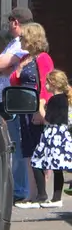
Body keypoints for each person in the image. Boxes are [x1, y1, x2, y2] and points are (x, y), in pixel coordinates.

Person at [11, 21, 54, 207]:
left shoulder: (43, 58)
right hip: (24, 111)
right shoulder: (24, 59)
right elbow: (14, 81)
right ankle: (31, 193)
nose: (20, 39)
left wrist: (41, 110)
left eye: (23, 36)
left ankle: (42, 193)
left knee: (39, 150)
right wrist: (19, 69)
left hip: (37, 109)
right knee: (28, 151)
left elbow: (46, 85)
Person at [0, 7, 33, 203]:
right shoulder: (14, 42)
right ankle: (15, 187)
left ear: (15, 22)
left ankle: (19, 190)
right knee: (9, 144)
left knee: (15, 145)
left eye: (10, 21)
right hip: (5, 99)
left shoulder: (23, 43)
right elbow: (0, 65)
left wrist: (4, 67)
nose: (9, 25)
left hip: (13, 101)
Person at [30, 69, 72, 209]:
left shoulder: (55, 99)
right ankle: (56, 198)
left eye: (47, 82)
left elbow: (47, 120)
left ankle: (42, 195)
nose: (46, 85)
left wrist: (40, 105)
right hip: (61, 134)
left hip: (53, 134)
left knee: (36, 161)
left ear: (53, 83)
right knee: (57, 167)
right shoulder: (64, 99)